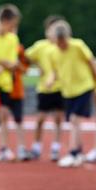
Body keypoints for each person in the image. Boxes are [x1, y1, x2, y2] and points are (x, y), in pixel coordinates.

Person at [46, 20, 96, 167]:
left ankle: (73, 152)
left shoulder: (78, 46)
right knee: (73, 122)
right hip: (68, 91)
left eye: (63, 41)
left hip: (83, 87)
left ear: (68, 37)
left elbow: (92, 62)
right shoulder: (53, 52)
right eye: (58, 42)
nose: (61, 45)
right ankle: (79, 152)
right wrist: (50, 80)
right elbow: (55, 71)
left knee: (75, 120)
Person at [25, 15, 65, 161]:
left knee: (58, 119)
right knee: (40, 119)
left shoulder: (63, 46)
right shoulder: (40, 46)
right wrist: (37, 65)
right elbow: (25, 57)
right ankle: (37, 146)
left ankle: (56, 147)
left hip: (61, 87)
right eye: (51, 30)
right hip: (44, 88)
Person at [0, 4, 27, 161]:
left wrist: (7, 64)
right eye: (13, 23)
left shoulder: (13, 38)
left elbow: (13, 62)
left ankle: (17, 148)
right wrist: (6, 63)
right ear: (5, 21)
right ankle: (1, 148)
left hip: (9, 82)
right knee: (1, 116)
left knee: (13, 116)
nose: (15, 27)